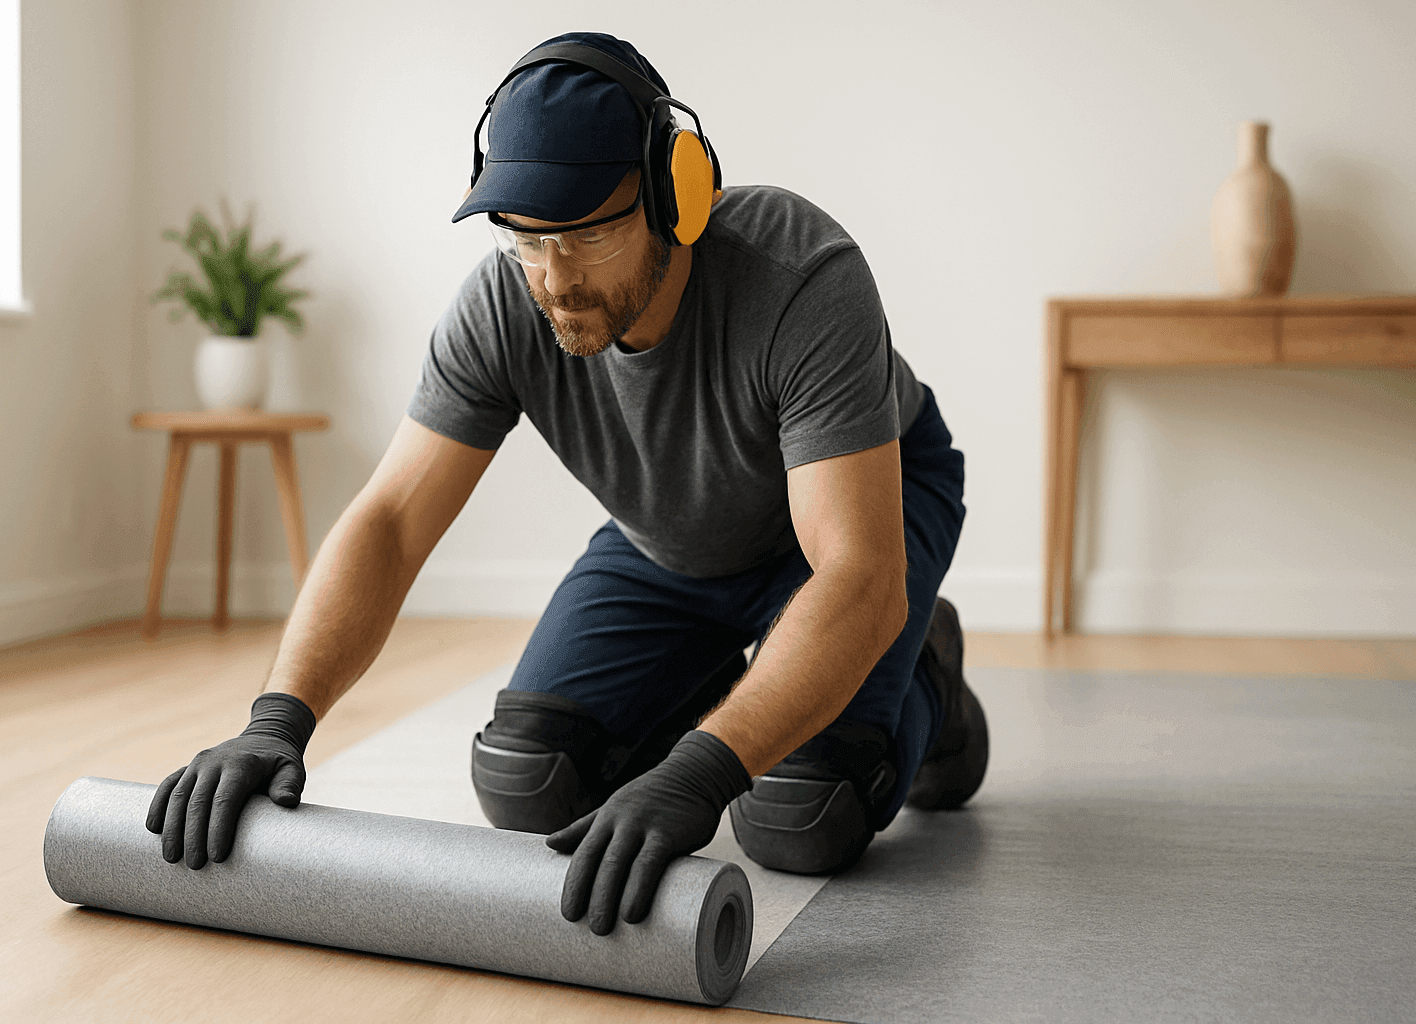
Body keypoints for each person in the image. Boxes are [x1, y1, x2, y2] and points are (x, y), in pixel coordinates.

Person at [146, 31, 988, 939]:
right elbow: (390, 521)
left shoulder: (800, 278)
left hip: (862, 515)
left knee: (799, 813)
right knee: (528, 779)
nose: (556, 280)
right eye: (527, 240)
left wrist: (704, 769)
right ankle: (739, 680)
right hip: (673, 534)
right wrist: (279, 720)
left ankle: (927, 677)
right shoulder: (505, 305)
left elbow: (856, 576)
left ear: (677, 196)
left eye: (588, 234)